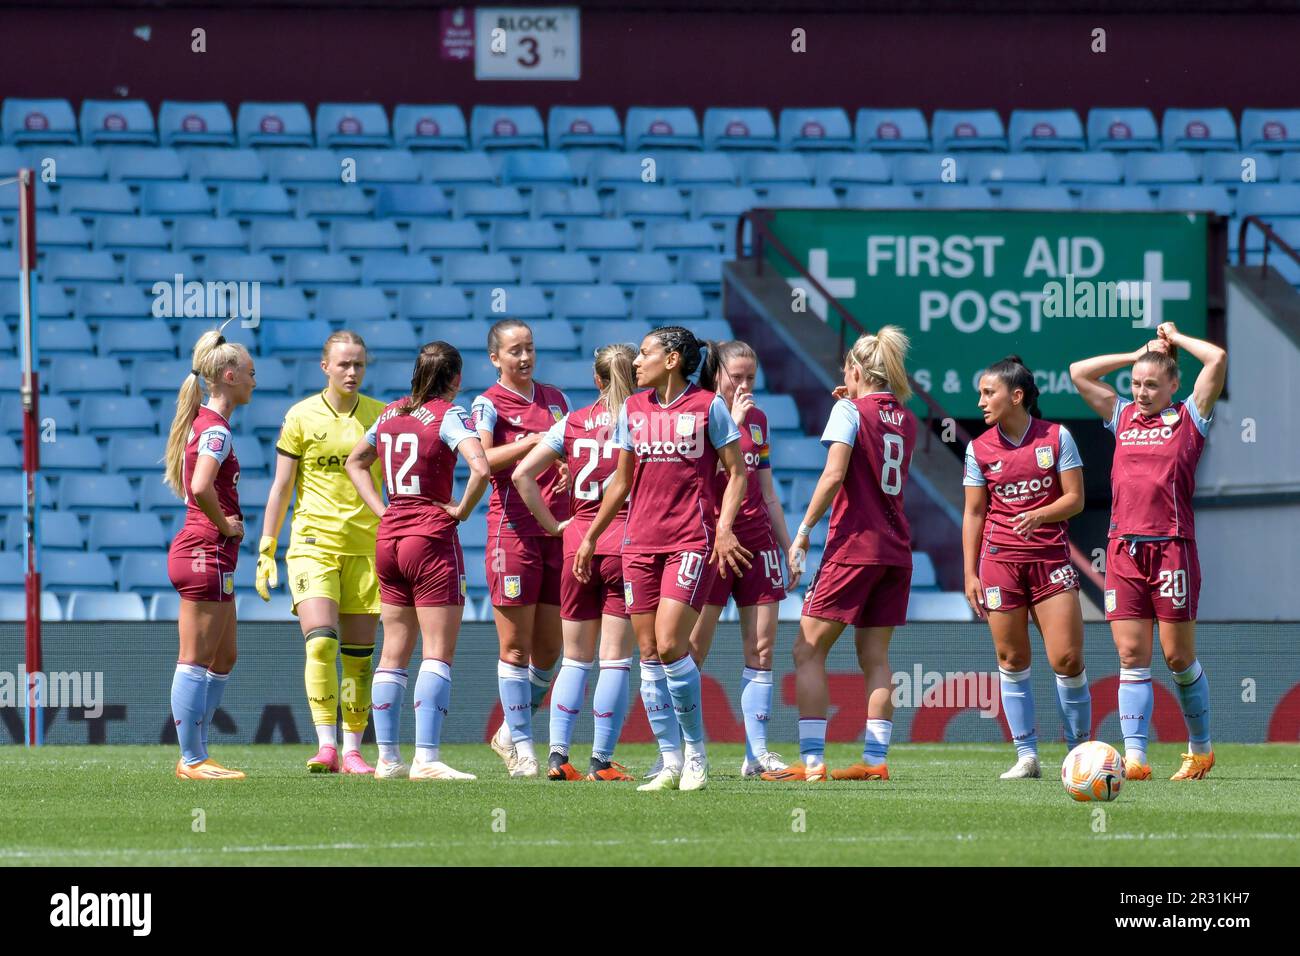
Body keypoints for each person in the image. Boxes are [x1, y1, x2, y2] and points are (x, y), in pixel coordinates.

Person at [576, 326, 751, 793]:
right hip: (638, 543)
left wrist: (724, 527)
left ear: (672, 359)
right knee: (648, 652)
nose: (636, 362)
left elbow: (737, 474)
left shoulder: (708, 407)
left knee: (672, 642)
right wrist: (592, 537)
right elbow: (620, 482)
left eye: (646, 353)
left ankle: (696, 754)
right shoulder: (632, 409)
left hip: (689, 542)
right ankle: (669, 761)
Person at [1070, 322, 1226, 781]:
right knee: (1131, 655)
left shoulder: (1189, 417)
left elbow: (1216, 359)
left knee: (1177, 656)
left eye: (1152, 384)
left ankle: (1201, 750)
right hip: (1123, 550)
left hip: (1172, 548)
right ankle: (1136, 759)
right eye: (1136, 384)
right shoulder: (1121, 416)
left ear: (1174, 385)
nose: (1141, 392)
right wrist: (1136, 352)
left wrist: (1175, 341)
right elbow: (1079, 372)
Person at [762, 326, 916, 783]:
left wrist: (804, 531)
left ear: (855, 370)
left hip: (854, 546)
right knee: (876, 658)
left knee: (806, 651)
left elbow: (834, 476)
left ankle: (811, 763)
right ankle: (874, 761)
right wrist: (851, 400)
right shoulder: (904, 417)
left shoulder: (847, 410)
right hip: (896, 549)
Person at [344, 342, 490, 780]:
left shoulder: (390, 412)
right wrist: (462, 509)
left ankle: (387, 758)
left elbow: (355, 461)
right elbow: (480, 468)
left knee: (392, 651)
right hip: (429, 536)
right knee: (437, 652)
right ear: (456, 378)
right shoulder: (450, 414)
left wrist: (382, 508)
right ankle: (426, 757)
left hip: (389, 537)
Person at [256, 331, 385, 775]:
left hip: (365, 548)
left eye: (360, 365)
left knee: (358, 657)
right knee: (322, 644)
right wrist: (267, 546)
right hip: (313, 544)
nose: (352, 372)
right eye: (344, 364)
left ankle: (353, 749)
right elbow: (281, 486)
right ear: (325, 367)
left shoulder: (380, 417)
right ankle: (325, 745)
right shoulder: (301, 416)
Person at [514, 344, 639, 782]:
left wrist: (554, 525)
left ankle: (556, 758)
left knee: (574, 659)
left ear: (597, 380)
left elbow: (521, 475)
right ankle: (601, 761)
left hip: (575, 543)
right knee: (615, 661)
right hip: (625, 544)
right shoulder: (642, 422)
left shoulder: (572, 421)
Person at [962, 355, 1090, 780]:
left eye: (988, 392)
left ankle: (1079, 755)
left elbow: (1075, 499)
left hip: (1050, 562)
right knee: (1011, 657)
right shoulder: (977, 448)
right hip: (1000, 564)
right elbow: (975, 514)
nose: (980, 401)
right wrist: (970, 573)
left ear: (1016, 396)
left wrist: (1040, 514)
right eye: (980, 393)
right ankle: (1027, 756)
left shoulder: (1057, 438)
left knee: (1068, 658)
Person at [690, 340, 797, 777]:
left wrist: (789, 546)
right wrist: (729, 423)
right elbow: (707, 477)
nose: (746, 385)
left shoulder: (760, 421)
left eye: (752, 377)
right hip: (712, 540)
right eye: (737, 377)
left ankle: (756, 754)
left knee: (763, 648)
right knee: (692, 650)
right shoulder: (698, 415)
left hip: (756, 541)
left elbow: (767, 491)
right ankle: (683, 750)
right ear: (717, 375)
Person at [471, 319, 571, 778]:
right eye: (515, 350)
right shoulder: (487, 404)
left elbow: (568, 451)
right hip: (512, 533)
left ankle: (510, 732)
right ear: (496, 358)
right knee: (514, 647)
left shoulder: (556, 399)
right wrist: (531, 443)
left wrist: (570, 468)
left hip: (557, 530)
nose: (525, 357)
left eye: (529, 348)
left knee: (550, 650)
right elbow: (482, 460)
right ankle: (524, 749)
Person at [163, 327, 255, 780]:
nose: (255, 382)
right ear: (230, 375)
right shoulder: (216, 429)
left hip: (211, 553)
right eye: (251, 374)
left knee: (224, 657)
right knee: (195, 657)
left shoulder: (206, 422)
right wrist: (226, 525)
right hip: (204, 549)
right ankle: (192, 758)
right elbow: (200, 487)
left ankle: (197, 751)